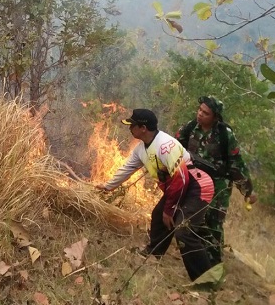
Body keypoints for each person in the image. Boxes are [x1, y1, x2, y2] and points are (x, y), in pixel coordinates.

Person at [96, 109, 215, 281]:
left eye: (133, 125)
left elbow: (181, 179)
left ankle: (206, 280)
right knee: (158, 216)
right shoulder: (141, 150)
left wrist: (170, 209)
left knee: (183, 231)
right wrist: (108, 187)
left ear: (143, 128)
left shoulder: (166, 146)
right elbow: (127, 169)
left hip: (197, 187)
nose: (130, 129)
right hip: (179, 187)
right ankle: (153, 253)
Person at [176, 96, 257, 267]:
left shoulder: (225, 135)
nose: (200, 114)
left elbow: (237, 165)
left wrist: (247, 191)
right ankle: (195, 259)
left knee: (213, 224)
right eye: (199, 110)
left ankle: (213, 267)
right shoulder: (190, 127)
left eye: (205, 113)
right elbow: (176, 147)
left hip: (217, 185)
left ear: (215, 117)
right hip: (193, 181)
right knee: (189, 220)